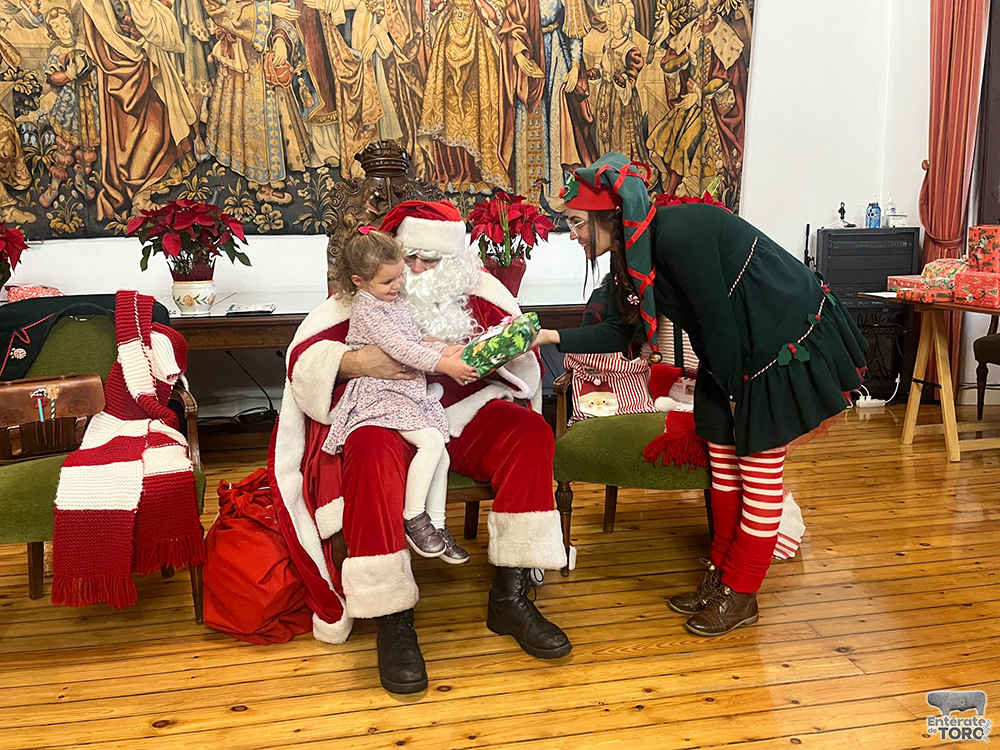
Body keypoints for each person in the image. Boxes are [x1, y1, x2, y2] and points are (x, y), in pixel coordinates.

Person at [533, 153, 867, 636]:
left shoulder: (678, 233)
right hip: (730, 350)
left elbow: (716, 320)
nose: (574, 235)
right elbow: (618, 332)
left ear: (607, 217)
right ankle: (723, 577)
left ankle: (743, 593)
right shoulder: (630, 257)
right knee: (723, 465)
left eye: (576, 224)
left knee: (756, 472)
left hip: (775, 343)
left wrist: (733, 394)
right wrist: (548, 336)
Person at [269, 200, 571, 696]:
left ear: (453, 262)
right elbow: (303, 359)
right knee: (366, 448)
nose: (415, 271)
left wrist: (495, 348)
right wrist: (354, 362)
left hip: (465, 413)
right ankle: (393, 619)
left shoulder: (483, 294)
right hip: (389, 417)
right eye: (409, 258)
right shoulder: (368, 294)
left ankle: (511, 596)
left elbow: (522, 365)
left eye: (430, 261)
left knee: (530, 432)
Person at [323, 226, 477, 564]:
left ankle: (436, 525)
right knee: (432, 443)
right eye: (387, 282)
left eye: (398, 279)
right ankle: (414, 517)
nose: (397, 286)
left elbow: (412, 338)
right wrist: (444, 365)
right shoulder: (368, 309)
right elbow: (399, 349)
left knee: (443, 453)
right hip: (381, 392)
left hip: (407, 389)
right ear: (359, 282)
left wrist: (442, 347)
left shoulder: (394, 301)